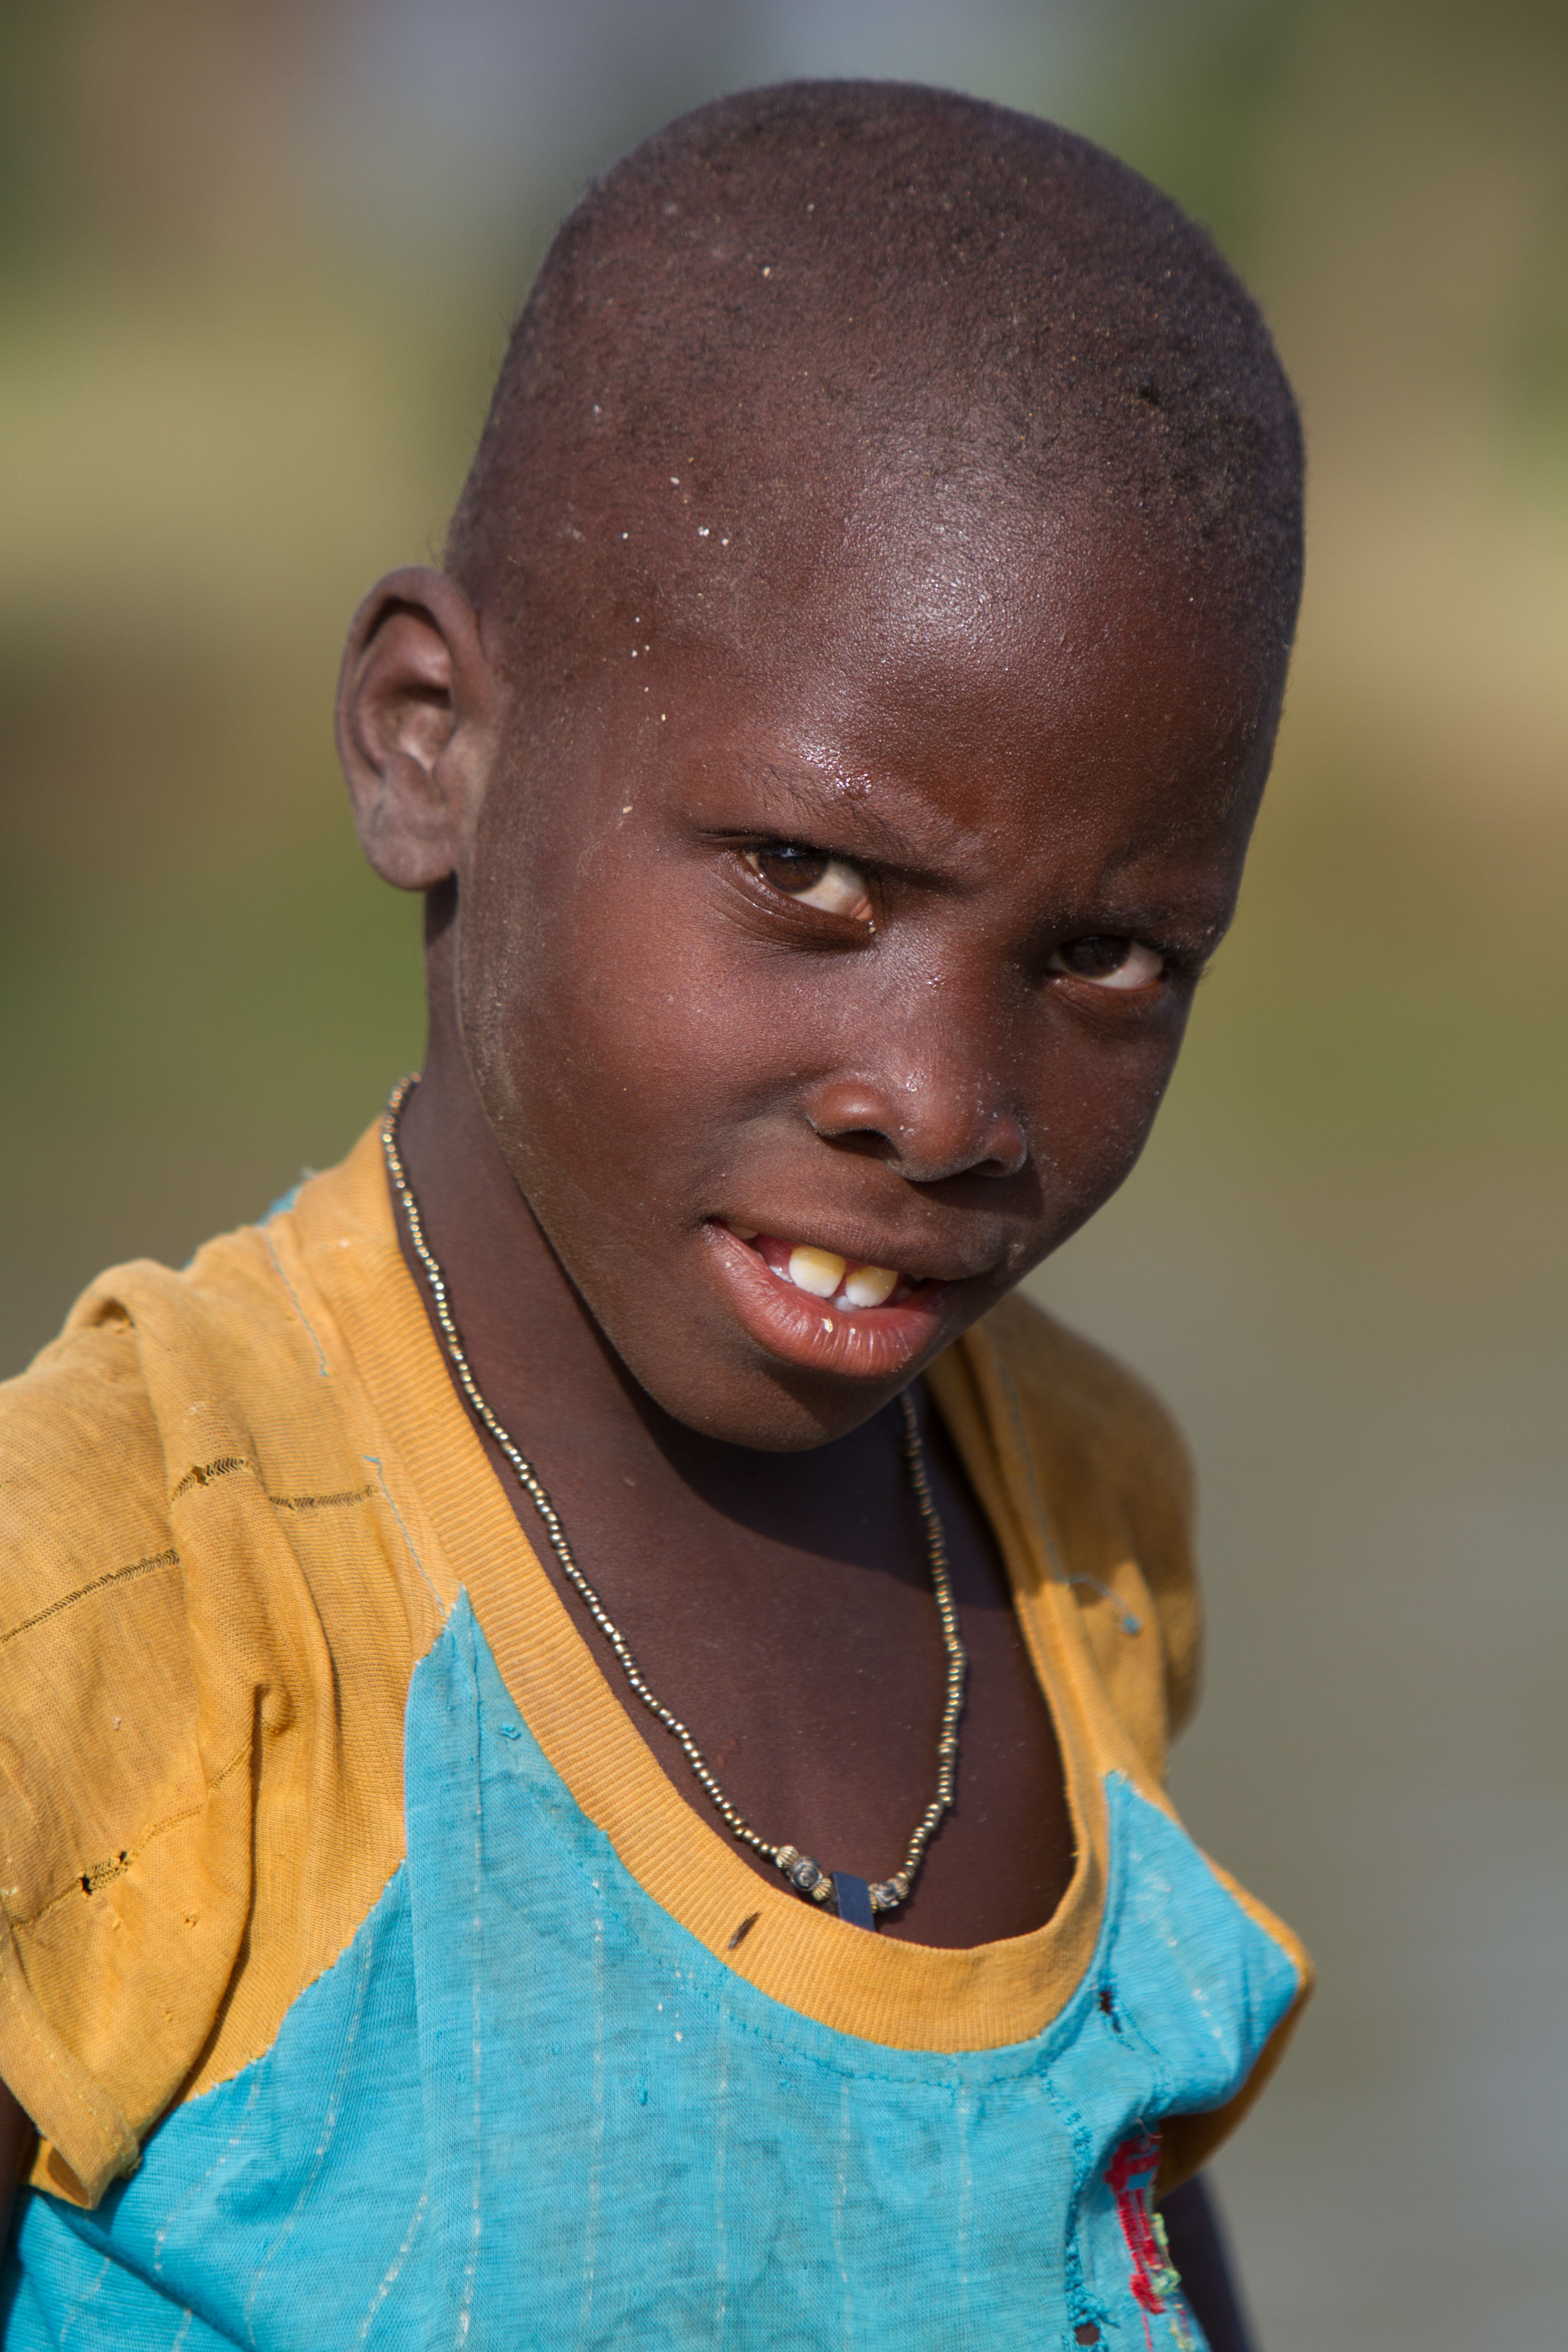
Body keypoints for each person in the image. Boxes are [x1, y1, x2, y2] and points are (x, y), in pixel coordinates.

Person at [0, 81, 1310, 2350]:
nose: (945, 1101)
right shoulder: (129, 1607)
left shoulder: (1087, 1517)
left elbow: (1108, 2216)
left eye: (1109, 959)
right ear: (434, 744)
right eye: (813, 877)